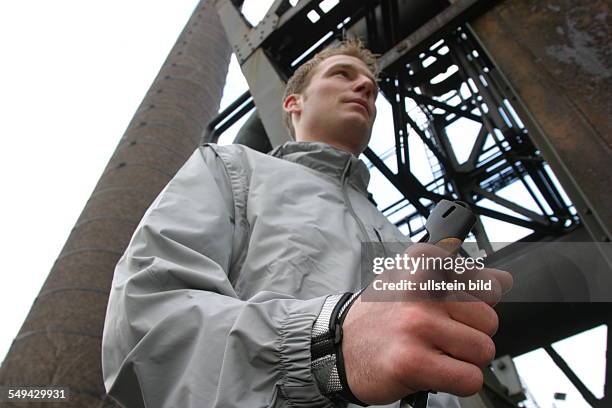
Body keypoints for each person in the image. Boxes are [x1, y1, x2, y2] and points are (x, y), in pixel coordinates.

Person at [102, 39, 512, 408]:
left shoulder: (404, 241)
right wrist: (325, 348)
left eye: (372, 85)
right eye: (342, 74)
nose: (366, 88)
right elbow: (149, 320)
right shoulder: (230, 169)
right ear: (293, 103)